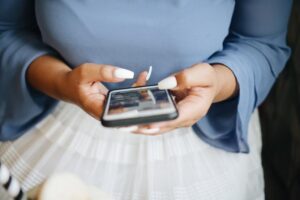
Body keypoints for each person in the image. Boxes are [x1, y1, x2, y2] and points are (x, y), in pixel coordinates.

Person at [0, 0, 292, 199]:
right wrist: (61, 83)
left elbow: (262, 44)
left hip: (201, 138)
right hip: (55, 124)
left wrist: (216, 84)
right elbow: (6, 29)